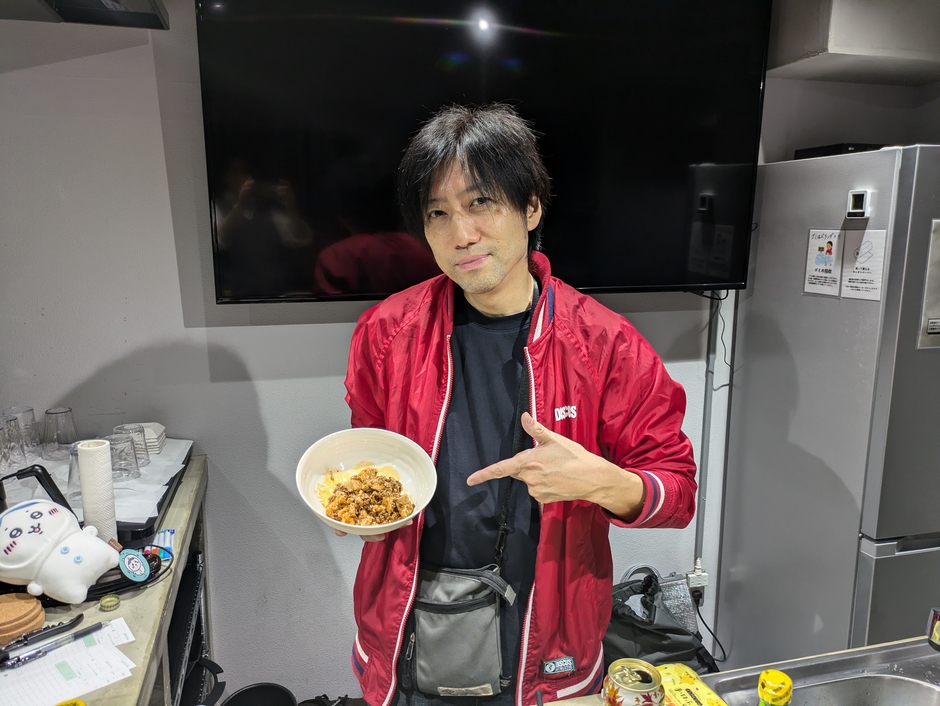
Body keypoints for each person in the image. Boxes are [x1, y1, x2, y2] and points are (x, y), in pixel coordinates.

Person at [341, 104, 697, 706]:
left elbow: (678, 492)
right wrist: (360, 511)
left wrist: (604, 482)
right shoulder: (385, 333)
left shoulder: (604, 343)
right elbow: (371, 463)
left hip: (549, 637)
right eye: (438, 213)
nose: (461, 234)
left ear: (531, 207)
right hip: (408, 625)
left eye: (481, 202)